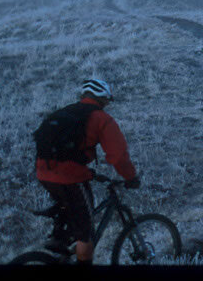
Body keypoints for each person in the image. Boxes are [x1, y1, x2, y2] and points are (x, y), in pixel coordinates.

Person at [35, 79, 140, 265]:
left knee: (72, 209)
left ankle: (61, 240)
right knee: (86, 234)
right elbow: (118, 157)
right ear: (103, 99)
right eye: (107, 101)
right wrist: (131, 177)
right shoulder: (102, 119)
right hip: (69, 178)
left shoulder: (65, 112)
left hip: (43, 172)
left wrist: (89, 173)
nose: (107, 105)